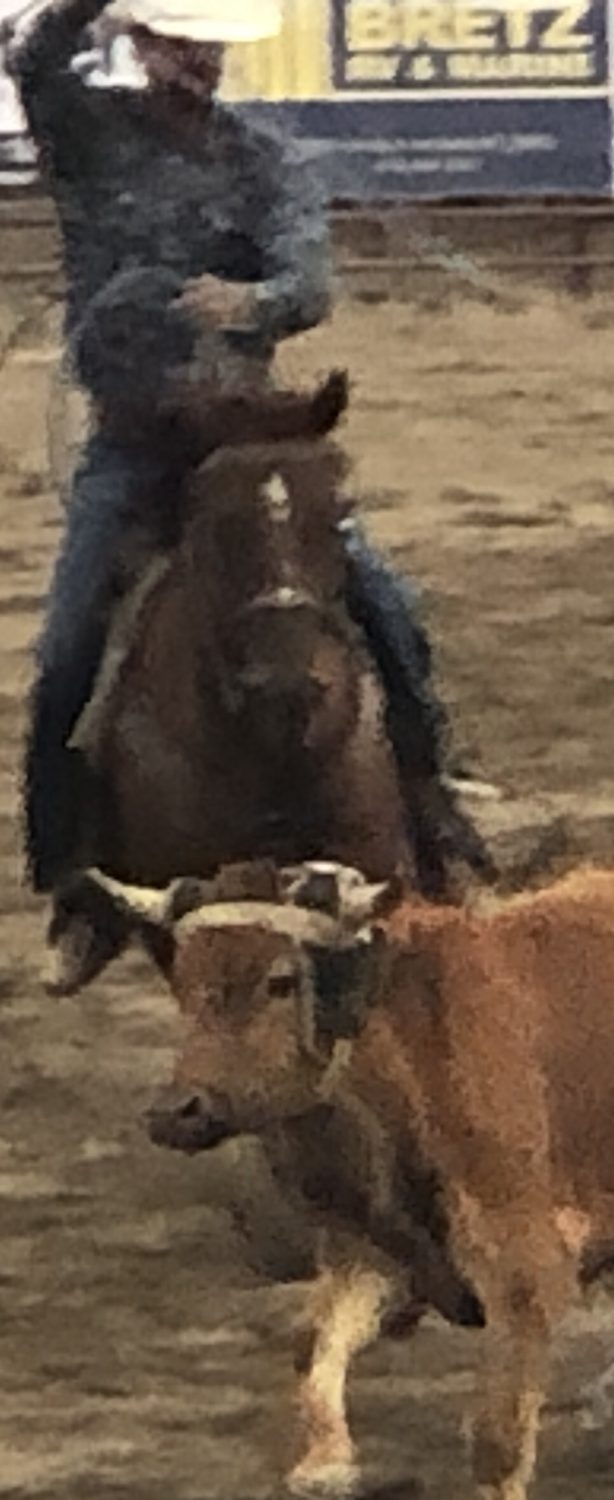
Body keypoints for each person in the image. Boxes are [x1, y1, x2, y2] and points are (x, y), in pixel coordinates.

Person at [9, 0, 491, 909]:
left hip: (245, 442)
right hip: (136, 443)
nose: (200, 60)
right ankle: (70, 869)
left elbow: (308, 279)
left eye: (210, 45)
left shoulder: (262, 160)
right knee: (70, 646)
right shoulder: (86, 130)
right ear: (141, 44)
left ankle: (432, 806)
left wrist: (255, 303)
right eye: (181, 40)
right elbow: (37, 56)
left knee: (390, 611)